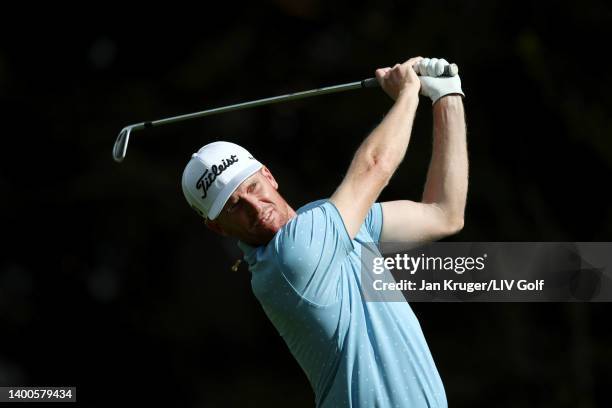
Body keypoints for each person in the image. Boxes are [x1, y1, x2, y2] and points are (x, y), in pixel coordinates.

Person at [181, 56, 467, 407]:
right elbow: (374, 166)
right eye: (234, 207)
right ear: (216, 227)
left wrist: (447, 97)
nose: (256, 207)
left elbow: (444, 214)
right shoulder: (288, 259)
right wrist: (408, 92)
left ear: (268, 175)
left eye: (252, 187)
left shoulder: (328, 224)